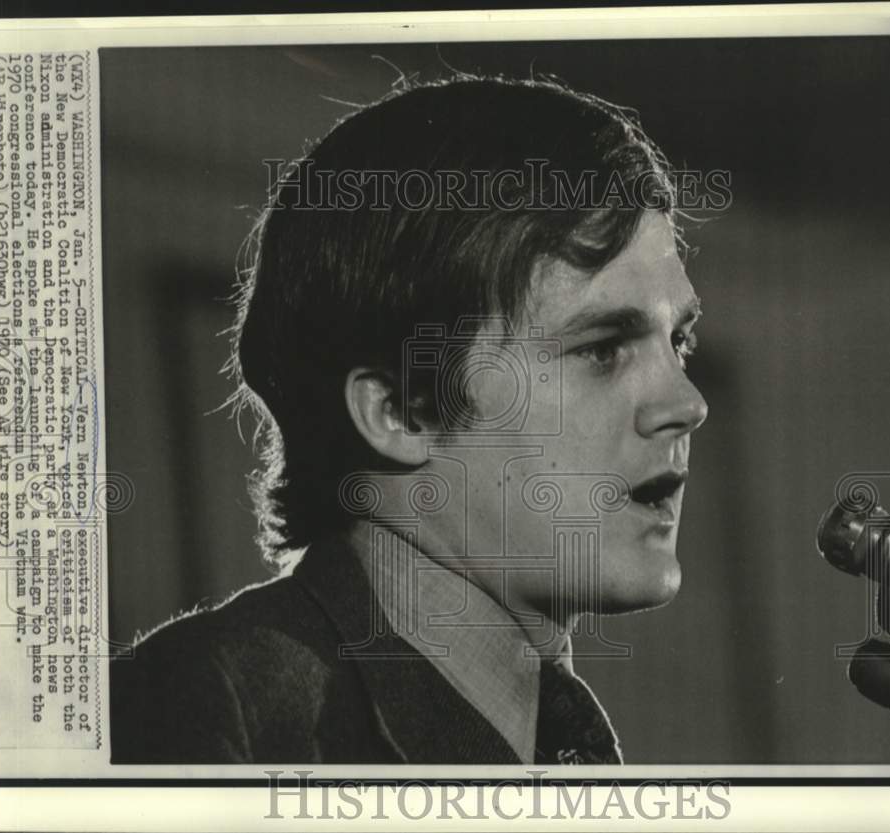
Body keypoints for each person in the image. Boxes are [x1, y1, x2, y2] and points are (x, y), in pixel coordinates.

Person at [109, 75, 708, 764]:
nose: (687, 404)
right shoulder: (215, 707)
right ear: (397, 409)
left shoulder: (554, 739)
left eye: (679, 340)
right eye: (602, 349)